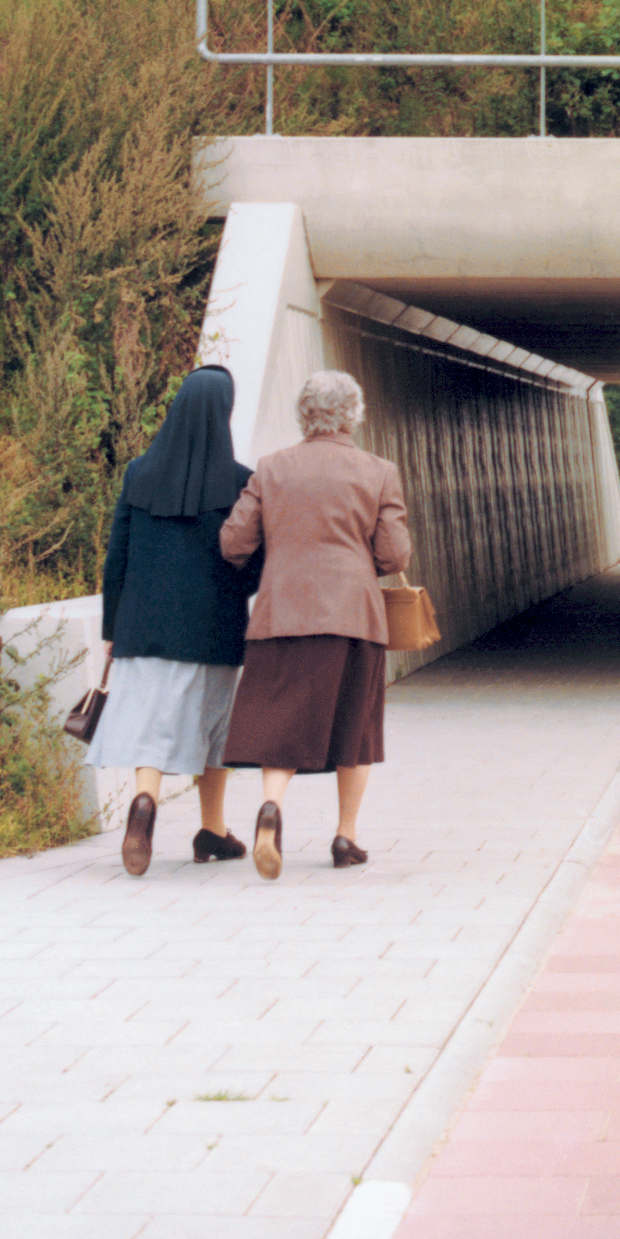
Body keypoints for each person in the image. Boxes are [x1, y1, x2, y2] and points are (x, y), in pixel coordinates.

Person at [219, 370, 411, 879]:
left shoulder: (271, 468)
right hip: (353, 616)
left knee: (279, 719)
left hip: (281, 613)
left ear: (304, 414)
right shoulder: (379, 472)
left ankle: (271, 806)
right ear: (354, 415)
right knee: (356, 728)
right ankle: (346, 836)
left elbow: (234, 543)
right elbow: (394, 555)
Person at [88, 364, 263, 876]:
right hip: (212, 628)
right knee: (214, 726)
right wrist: (238, 593)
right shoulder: (241, 482)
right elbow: (253, 560)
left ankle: (144, 802)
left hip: (142, 628)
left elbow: (117, 557)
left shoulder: (138, 473)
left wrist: (112, 629)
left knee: (152, 724)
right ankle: (212, 828)